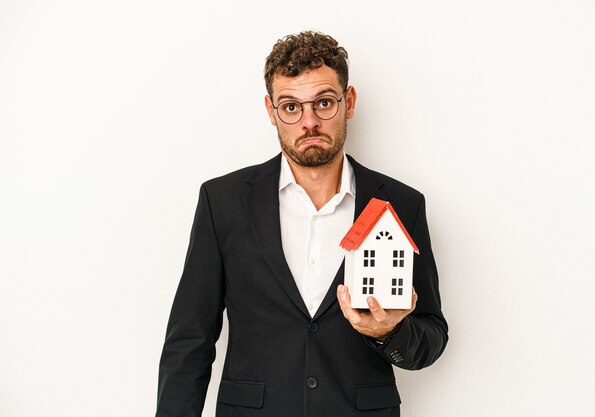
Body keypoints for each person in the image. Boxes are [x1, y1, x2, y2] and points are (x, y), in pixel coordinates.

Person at [156, 31, 448, 417]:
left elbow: (431, 337)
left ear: (349, 102)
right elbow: (189, 340)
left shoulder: (401, 204)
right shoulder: (222, 201)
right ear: (271, 110)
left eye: (324, 103)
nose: (309, 122)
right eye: (291, 107)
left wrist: (390, 332)